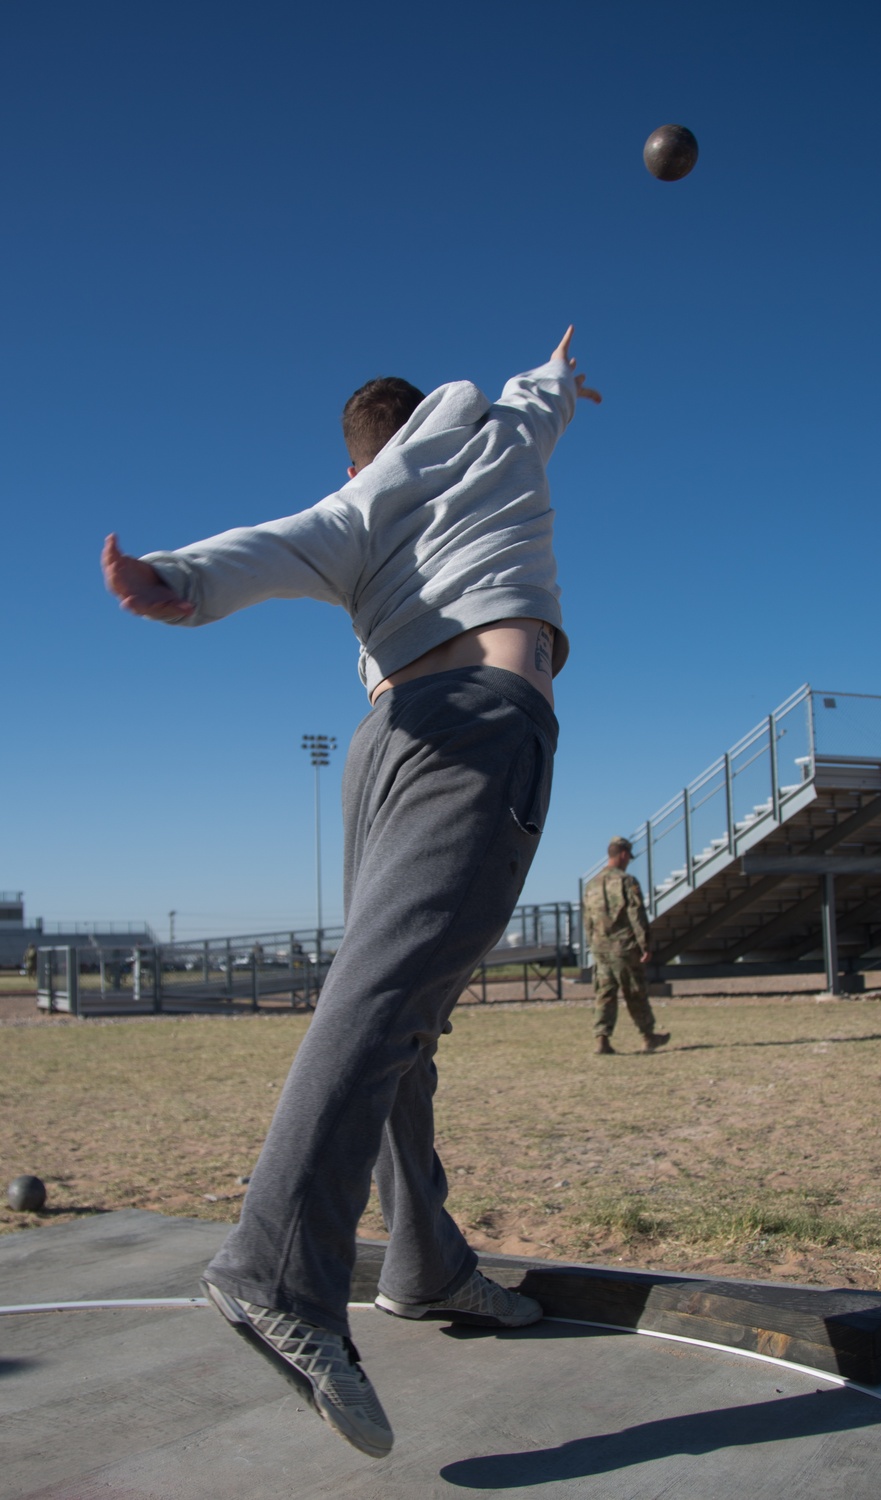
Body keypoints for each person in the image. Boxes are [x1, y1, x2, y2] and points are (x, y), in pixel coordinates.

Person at [101, 327, 600, 1461]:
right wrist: (561, 374)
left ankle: (422, 1267)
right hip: (480, 727)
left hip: (383, 747)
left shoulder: (363, 500)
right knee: (385, 1006)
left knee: (393, 1014)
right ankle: (275, 1272)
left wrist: (179, 580)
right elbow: (539, 399)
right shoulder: (501, 438)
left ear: (355, 457)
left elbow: (280, 542)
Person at [583, 836, 671, 1056]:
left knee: (604, 993)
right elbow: (636, 915)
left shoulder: (591, 884)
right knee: (635, 992)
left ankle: (602, 1039)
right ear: (623, 854)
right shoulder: (626, 881)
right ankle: (648, 1036)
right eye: (628, 857)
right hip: (623, 947)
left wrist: (592, 945)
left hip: (600, 949)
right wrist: (645, 944)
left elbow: (587, 921)